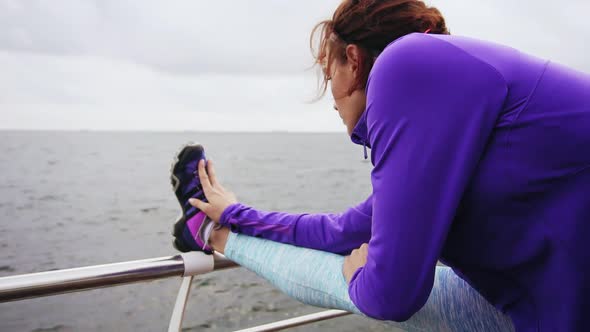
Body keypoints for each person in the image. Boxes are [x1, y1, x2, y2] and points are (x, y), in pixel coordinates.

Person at [170, 0, 590, 330]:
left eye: (326, 69)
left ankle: (210, 233)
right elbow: (341, 231)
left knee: (358, 275)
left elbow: (392, 295)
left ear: (352, 60)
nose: (329, 93)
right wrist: (236, 213)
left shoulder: (404, 63)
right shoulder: (452, 124)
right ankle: (211, 229)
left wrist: (358, 276)